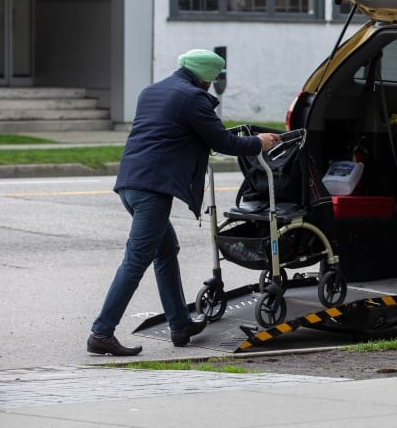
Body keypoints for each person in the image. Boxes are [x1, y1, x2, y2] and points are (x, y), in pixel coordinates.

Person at [87, 49, 281, 356]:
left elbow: (173, 133)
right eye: (212, 79)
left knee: (165, 250)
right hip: (152, 189)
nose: (211, 85)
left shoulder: (152, 91)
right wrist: (260, 142)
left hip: (130, 184)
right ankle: (102, 331)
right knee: (136, 260)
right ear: (206, 77)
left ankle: (180, 325)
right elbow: (224, 142)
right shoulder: (193, 97)